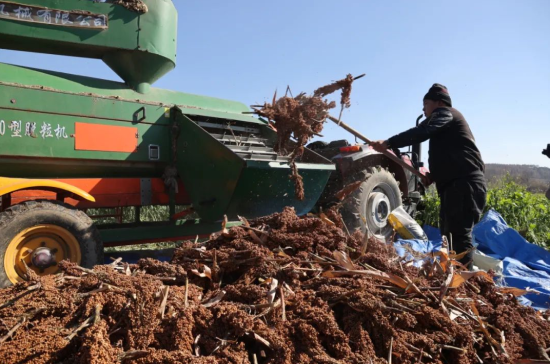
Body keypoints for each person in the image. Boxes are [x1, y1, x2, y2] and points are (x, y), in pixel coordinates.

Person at [370, 84, 486, 269]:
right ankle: (453, 276)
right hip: (455, 185)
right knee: (448, 236)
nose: (423, 109)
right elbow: (448, 151)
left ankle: (465, 281)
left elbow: (422, 132)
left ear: (439, 103)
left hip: (465, 185)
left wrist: (389, 142)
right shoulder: (443, 123)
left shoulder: (446, 113)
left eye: (426, 104)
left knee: (459, 236)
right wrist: (436, 175)